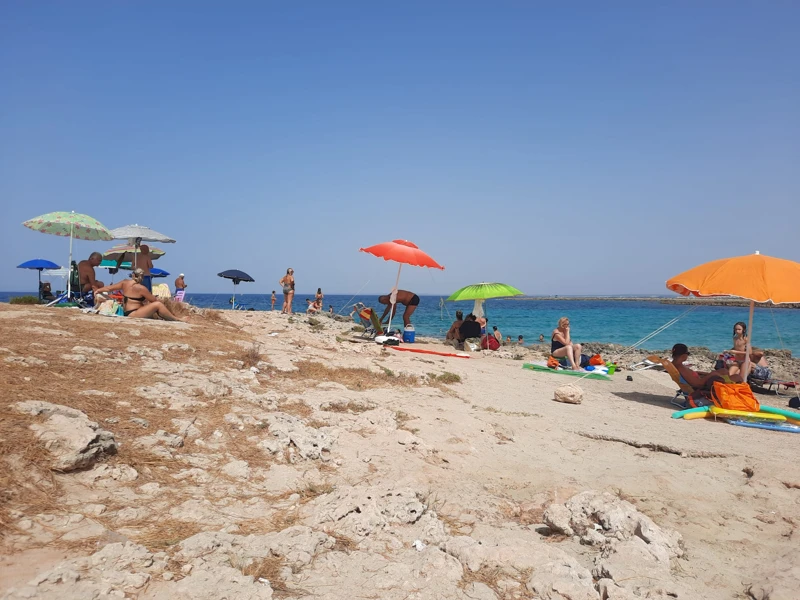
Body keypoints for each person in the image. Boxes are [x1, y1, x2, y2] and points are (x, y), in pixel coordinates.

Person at [95, 269, 184, 321]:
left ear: (133, 275)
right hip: (134, 313)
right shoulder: (141, 288)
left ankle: (170, 317)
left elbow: (109, 288)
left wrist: (98, 290)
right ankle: (176, 319)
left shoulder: (124, 283)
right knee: (158, 304)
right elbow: (153, 300)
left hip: (126, 312)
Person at [671, 343, 742, 390]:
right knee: (737, 377)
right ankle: (729, 388)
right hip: (703, 386)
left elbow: (691, 377)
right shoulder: (680, 367)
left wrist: (703, 374)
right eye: (688, 353)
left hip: (702, 380)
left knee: (724, 371)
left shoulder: (675, 365)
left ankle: (729, 384)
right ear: (683, 355)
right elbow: (698, 384)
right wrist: (712, 374)